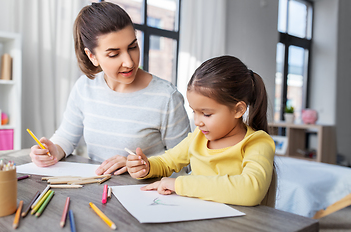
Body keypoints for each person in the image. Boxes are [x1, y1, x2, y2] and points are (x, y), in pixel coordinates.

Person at [29, 2, 190, 176]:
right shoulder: (84, 88)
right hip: (97, 192)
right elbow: (66, 138)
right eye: (114, 54)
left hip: (148, 197)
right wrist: (53, 150)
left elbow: (186, 166)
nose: (129, 62)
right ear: (92, 56)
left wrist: (143, 167)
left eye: (133, 47)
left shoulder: (167, 97)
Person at [126, 55, 276, 206]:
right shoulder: (198, 137)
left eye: (206, 114)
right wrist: (147, 167)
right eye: (194, 112)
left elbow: (250, 191)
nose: (197, 122)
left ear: (238, 110)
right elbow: (166, 162)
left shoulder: (257, 143)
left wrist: (179, 184)